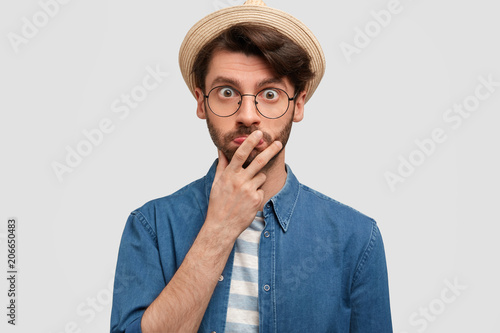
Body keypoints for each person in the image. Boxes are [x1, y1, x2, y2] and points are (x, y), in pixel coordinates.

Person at [110, 1, 392, 332]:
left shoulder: (357, 239)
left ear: (298, 104)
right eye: (227, 92)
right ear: (202, 103)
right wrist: (219, 228)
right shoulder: (151, 227)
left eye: (269, 93)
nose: (247, 115)